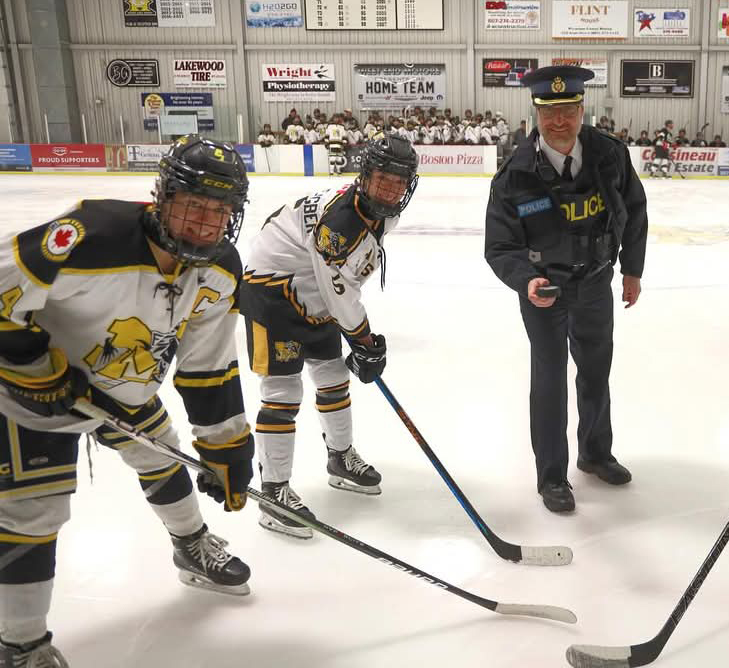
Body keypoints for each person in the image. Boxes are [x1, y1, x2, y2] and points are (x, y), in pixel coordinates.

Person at [0, 135, 255, 665]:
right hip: (31, 397)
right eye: (192, 206)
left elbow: (209, 363)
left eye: (218, 212)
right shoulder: (90, 236)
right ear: (162, 197)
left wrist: (226, 445)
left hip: (121, 386)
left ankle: (191, 545)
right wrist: (30, 365)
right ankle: (20, 646)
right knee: (33, 512)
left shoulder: (221, 270)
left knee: (161, 453)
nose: (204, 223)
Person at [484, 65, 647, 513]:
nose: (560, 121)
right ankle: (552, 476)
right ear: (536, 113)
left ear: (581, 109)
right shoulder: (515, 175)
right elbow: (499, 247)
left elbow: (635, 209)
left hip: (596, 282)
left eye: (568, 111)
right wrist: (526, 280)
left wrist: (631, 269)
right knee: (550, 380)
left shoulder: (609, 155)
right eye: (549, 111)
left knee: (595, 372)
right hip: (545, 293)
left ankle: (595, 453)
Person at [238, 134, 419, 539]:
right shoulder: (341, 223)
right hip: (273, 292)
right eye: (382, 180)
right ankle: (273, 492)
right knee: (282, 392)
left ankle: (339, 458)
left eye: (398, 182)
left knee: (334, 378)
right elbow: (341, 289)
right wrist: (365, 340)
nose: (390, 190)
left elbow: (341, 284)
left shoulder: (380, 213)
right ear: (365, 176)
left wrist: (360, 339)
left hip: (312, 292)